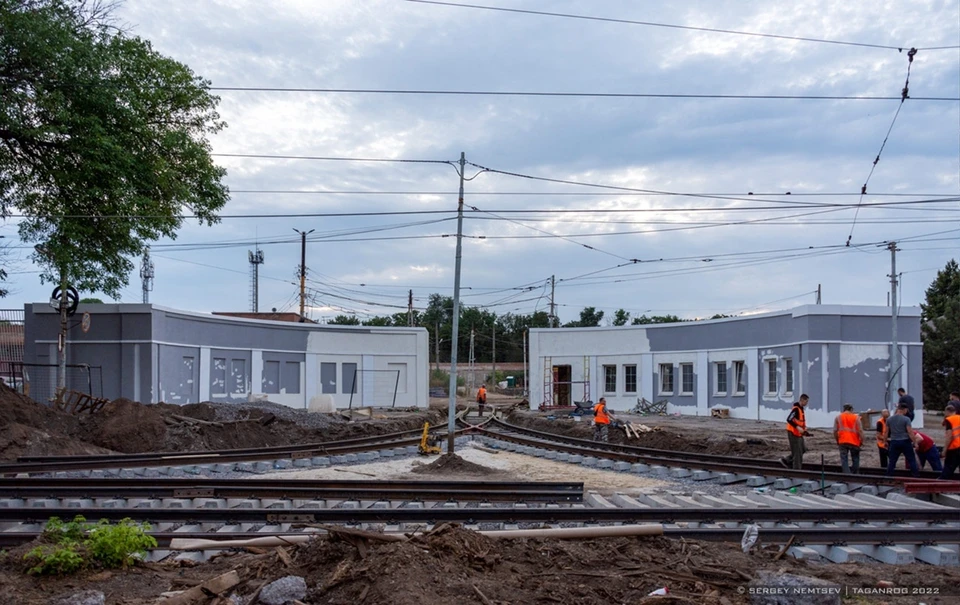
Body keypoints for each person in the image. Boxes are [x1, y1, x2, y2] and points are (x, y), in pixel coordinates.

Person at [885, 403, 919, 477]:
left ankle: (888, 476)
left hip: (894, 442)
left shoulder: (889, 419)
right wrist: (915, 442)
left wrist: (885, 441)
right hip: (905, 441)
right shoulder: (906, 419)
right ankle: (915, 475)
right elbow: (910, 432)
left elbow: (886, 432)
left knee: (892, 461)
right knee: (911, 459)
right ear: (904, 410)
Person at [780, 394, 809, 469]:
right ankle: (796, 470)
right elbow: (789, 419)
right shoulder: (796, 409)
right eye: (806, 401)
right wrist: (798, 427)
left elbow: (800, 421)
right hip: (793, 433)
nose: (807, 403)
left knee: (803, 449)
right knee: (797, 453)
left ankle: (787, 460)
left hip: (798, 433)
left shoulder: (801, 409)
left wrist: (804, 429)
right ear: (802, 400)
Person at [834, 403, 864, 474]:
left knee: (844, 459)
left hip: (842, 441)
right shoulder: (856, 418)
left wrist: (837, 440)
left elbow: (835, 431)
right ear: (851, 409)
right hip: (854, 441)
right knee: (855, 458)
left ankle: (847, 474)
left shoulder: (838, 417)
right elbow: (860, 430)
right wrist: (862, 440)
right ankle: (854, 474)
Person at [939, 403, 960, 480]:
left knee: (948, 468)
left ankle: (939, 485)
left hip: (955, 448)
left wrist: (944, 450)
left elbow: (949, 436)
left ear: (947, 412)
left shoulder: (949, 420)